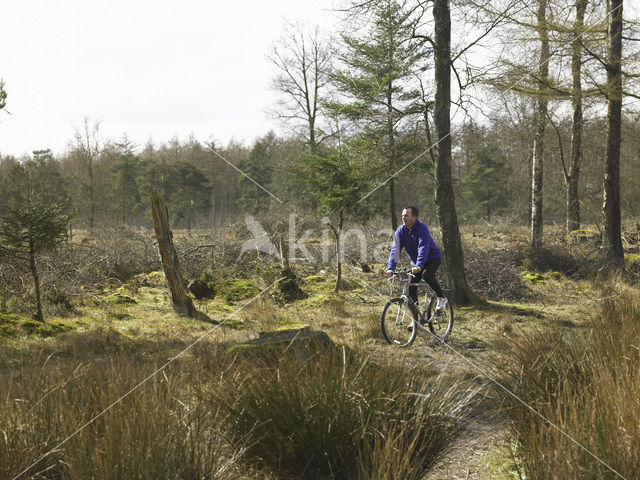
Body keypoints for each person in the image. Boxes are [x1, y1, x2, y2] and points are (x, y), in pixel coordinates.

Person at [385, 206, 447, 311]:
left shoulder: (421, 228)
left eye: (406, 216)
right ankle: (415, 320)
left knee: (427, 275)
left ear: (414, 218)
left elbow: (423, 247)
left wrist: (419, 265)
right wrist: (391, 268)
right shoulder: (401, 231)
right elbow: (395, 250)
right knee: (411, 289)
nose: (403, 218)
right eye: (402, 216)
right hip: (417, 262)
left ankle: (442, 297)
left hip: (432, 257)